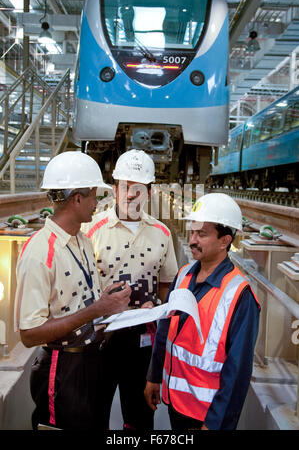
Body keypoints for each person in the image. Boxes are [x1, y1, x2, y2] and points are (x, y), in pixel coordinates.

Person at [14, 151, 131, 431]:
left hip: (89, 362)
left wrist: (108, 308)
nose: (97, 203)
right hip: (61, 371)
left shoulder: (82, 240)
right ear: (77, 199)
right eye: (93, 195)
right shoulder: (40, 252)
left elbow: (82, 302)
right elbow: (29, 334)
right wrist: (97, 310)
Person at [144, 192, 260, 431]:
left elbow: (237, 372)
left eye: (202, 234)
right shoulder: (184, 274)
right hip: (175, 403)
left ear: (224, 240)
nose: (193, 239)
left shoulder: (239, 295)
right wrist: (154, 375)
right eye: (192, 231)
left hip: (206, 416)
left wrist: (216, 423)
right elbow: (166, 330)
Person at [82, 149, 178, 431]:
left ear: (148, 192)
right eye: (125, 187)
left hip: (142, 342)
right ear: (114, 189)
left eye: (138, 189)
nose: (131, 195)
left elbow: (165, 283)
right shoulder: (92, 230)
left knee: (139, 417)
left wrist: (161, 314)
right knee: (93, 411)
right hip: (100, 338)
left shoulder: (162, 233)